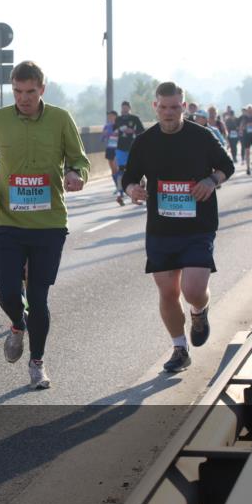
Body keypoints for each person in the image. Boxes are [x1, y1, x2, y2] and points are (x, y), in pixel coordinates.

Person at [0, 61, 90, 389]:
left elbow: (80, 159)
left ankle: (37, 363)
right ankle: (16, 324)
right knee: (9, 293)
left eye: (30, 92)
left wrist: (75, 175)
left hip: (49, 223)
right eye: (17, 92)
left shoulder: (60, 119)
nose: (23, 99)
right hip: (9, 220)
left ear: (42, 89)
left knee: (38, 299)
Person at [122, 82, 235, 373]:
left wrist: (211, 181)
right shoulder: (145, 141)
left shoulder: (202, 137)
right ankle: (179, 348)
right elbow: (130, 177)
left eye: (175, 107)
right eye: (164, 107)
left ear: (183, 107)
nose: (169, 113)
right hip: (161, 228)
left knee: (193, 290)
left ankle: (199, 311)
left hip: (198, 225)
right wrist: (133, 188)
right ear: (155, 107)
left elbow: (227, 166)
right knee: (168, 293)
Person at [113, 100, 145, 206]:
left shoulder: (135, 119)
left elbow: (142, 131)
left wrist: (133, 131)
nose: (124, 109)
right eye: (123, 107)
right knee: (121, 170)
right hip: (120, 148)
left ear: (129, 108)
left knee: (135, 170)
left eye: (126, 107)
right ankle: (120, 194)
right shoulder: (118, 119)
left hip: (133, 148)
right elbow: (113, 132)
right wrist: (118, 131)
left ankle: (140, 187)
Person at [102, 110, 120, 197]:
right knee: (113, 170)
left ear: (115, 116)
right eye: (108, 117)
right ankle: (117, 187)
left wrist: (111, 133)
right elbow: (103, 138)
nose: (110, 118)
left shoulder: (119, 125)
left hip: (118, 149)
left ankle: (120, 187)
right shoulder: (107, 126)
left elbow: (122, 135)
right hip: (109, 148)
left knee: (118, 168)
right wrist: (105, 134)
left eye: (111, 116)